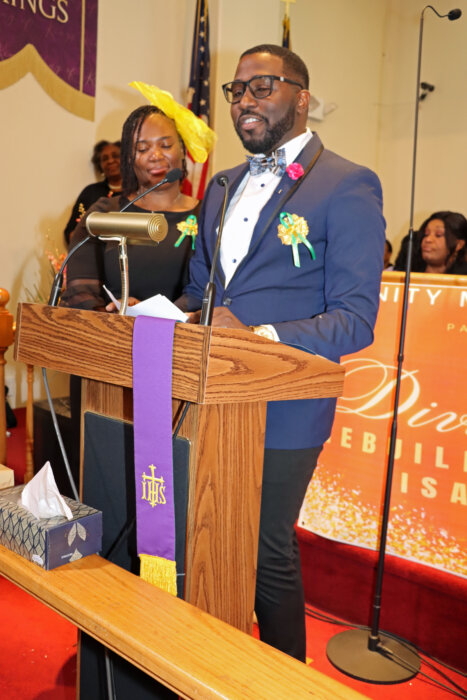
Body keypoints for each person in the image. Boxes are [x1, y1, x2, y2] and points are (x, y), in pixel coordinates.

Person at [179, 44, 385, 662]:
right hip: (209, 392)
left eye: (261, 86)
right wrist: (167, 316)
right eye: (236, 91)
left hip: (287, 407)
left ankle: (286, 678)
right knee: (207, 535)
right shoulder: (219, 187)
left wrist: (260, 339)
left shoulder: (347, 183)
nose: (245, 100)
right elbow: (201, 290)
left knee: (266, 547)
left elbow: (355, 320)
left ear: (301, 95)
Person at [61, 84, 216, 310]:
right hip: (115, 338)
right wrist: (116, 313)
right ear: (130, 159)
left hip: (186, 340)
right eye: (142, 149)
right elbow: (79, 294)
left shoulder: (207, 217)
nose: (155, 156)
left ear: (182, 150)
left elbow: (218, 292)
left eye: (165, 145)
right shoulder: (105, 214)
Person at [63, 140, 122, 246]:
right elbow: (70, 233)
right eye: (105, 159)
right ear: (100, 166)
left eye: (115, 156)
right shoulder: (91, 192)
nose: (110, 161)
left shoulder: (138, 191)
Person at [394, 211, 467, 274]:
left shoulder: (463, 281)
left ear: (459, 244)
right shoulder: (404, 274)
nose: (428, 239)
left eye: (438, 235)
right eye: (426, 234)